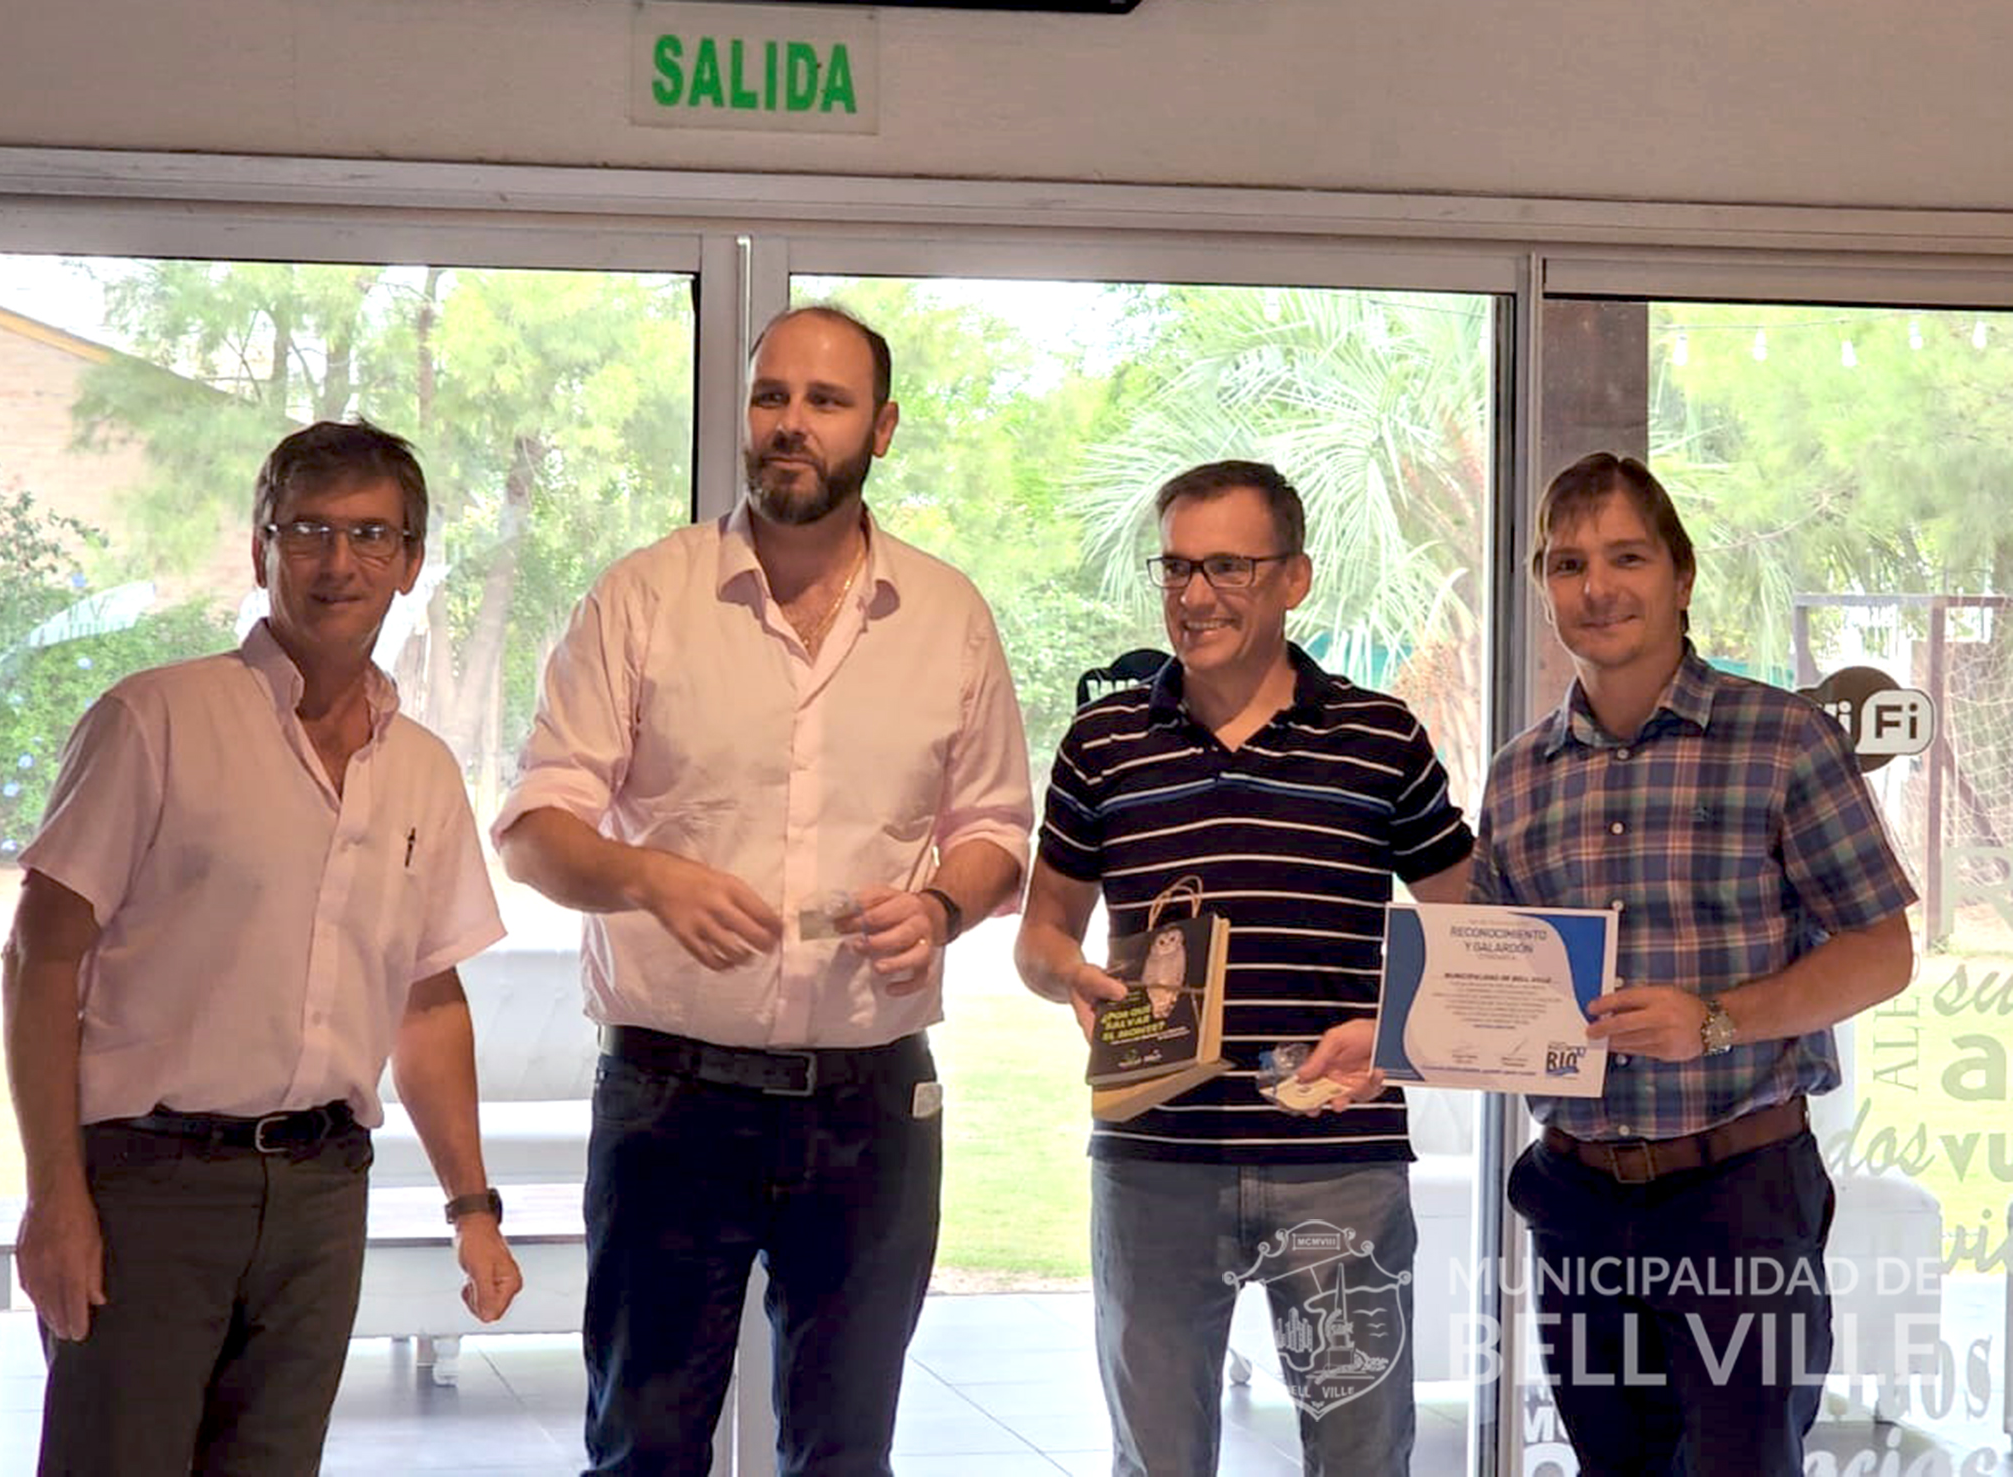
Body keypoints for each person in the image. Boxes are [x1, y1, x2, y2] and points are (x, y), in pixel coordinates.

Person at [493, 304, 1033, 1476]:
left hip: (872, 1107)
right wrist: (644, 875)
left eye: (826, 401)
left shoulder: (948, 617)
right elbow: (533, 832)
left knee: (845, 1454)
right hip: (669, 1098)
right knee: (642, 1448)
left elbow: (997, 830)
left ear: (882, 428)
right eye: (770, 396)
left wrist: (943, 907)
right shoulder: (645, 597)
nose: (791, 423)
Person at [3, 420, 522, 1477]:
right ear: (260, 549)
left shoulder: (422, 771)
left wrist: (473, 1209)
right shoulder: (154, 720)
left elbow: (426, 999)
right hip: (150, 1187)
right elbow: (39, 960)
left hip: (323, 1196)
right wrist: (54, 1195)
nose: (339, 563)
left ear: (410, 562)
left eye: (372, 535)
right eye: (309, 530)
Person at [1014, 460, 1474, 1477]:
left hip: (1340, 1161)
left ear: (1294, 578)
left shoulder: (1380, 739)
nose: (1195, 594)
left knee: (1361, 1460)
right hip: (1153, 1159)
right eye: (1176, 567)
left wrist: (1396, 1034)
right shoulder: (1102, 743)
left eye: (1228, 566)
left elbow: (1474, 930)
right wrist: (1070, 977)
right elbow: (1040, 937)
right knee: (1157, 1462)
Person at [1474, 452, 1916, 1476]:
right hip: (1576, 1201)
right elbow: (1495, 979)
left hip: (1738, 1196)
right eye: (1568, 563)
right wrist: (1397, 1035)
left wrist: (1714, 1019)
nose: (1597, 586)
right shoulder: (1518, 776)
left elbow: (1881, 951)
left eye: (1626, 557)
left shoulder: (1783, 740)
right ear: (1544, 588)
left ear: (1681, 575)